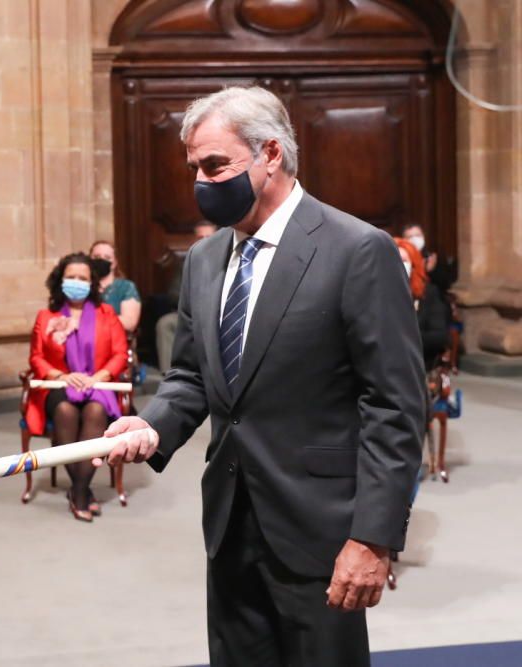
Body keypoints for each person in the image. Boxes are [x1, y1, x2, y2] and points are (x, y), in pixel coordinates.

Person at [101, 87, 424, 667]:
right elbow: (192, 377)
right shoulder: (203, 260)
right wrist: (149, 426)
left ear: (270, 153)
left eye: (214, 165)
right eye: (194, 168)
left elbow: (395, 406)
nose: (200, 182)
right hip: (229, 523)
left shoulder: (356, 250)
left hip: (321, 529)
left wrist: (373, 538)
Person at [26, 252, 127, 521]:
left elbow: (120, 353)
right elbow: (36, 357)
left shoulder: (107, 314)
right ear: (60, 281)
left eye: (82, 278)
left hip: (98, 384)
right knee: (66, 412)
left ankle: (79, 490)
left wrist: (100, 377)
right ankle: (83, 492)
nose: (76, 282)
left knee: (95, 411)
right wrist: (61, 375)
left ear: (92, 282)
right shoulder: (46, 316)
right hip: (59, 383)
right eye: (71, 277)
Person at [156, 222, 216, 373]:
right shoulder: (186, 263)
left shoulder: (230, 259)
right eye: (200, 237)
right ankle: (170, 375)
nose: (204, 240)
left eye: (208, 237)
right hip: (191, 313)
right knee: (165, 323)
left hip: (219, 314)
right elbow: (174, 293)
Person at [394, 237, 450, 367]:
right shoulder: (376, 293)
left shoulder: (428, 293)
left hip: (419, 364)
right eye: (394, 260)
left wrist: (405, 339)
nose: (399, 266)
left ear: (413, 264)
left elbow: (439, 336)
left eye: (404, 261)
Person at [89, 240, 141, 333]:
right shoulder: (84, 286)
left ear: (115, 263)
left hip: (115, 340)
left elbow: (129, 323)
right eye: (97, 257)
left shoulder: (126, 287)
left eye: (107, 257)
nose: (101, 260)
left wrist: (91, 320)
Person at [402, 223, 457, 294]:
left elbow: (445, 284)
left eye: (418, 235)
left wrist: (432, 271)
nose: (414, 239)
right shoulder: (402, 258)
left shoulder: (432, 258)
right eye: (410, 237)